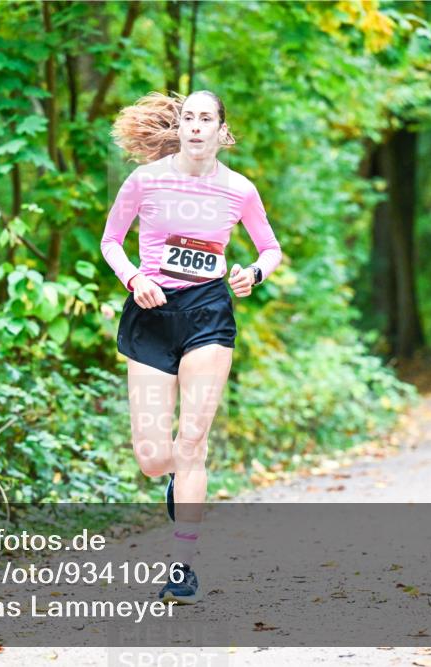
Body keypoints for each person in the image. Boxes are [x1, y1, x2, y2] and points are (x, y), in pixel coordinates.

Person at [101, 90, 282, 604]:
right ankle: (174, 483)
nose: (197, 127)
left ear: (222, 131)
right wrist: (134, 278)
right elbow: (110, 241)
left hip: (208, 315)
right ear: (178, 128)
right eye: (189, 118)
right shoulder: (145, 181)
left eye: (207, 119)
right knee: (155, 458)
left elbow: (270, 249)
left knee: (192, 444)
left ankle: (183, 566)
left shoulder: (239, 190)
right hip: (152, 313)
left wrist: (253, 273)